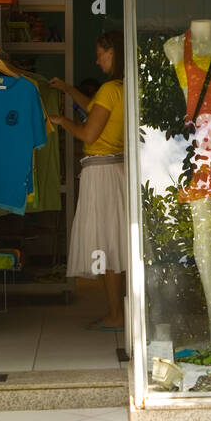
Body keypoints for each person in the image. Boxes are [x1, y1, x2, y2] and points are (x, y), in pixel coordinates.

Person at [49, 33, 126, 331]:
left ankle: (115, 315)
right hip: (115, 168)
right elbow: (95, 108)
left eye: (100, 54)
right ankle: (118, 312)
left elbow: (88, 134)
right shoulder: (119, 88)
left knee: (107, 248)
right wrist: (69, 90)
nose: (97, 60)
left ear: (113, 53)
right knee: (114, 245)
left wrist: (62, 121)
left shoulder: (109, 88)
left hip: (101, 173)